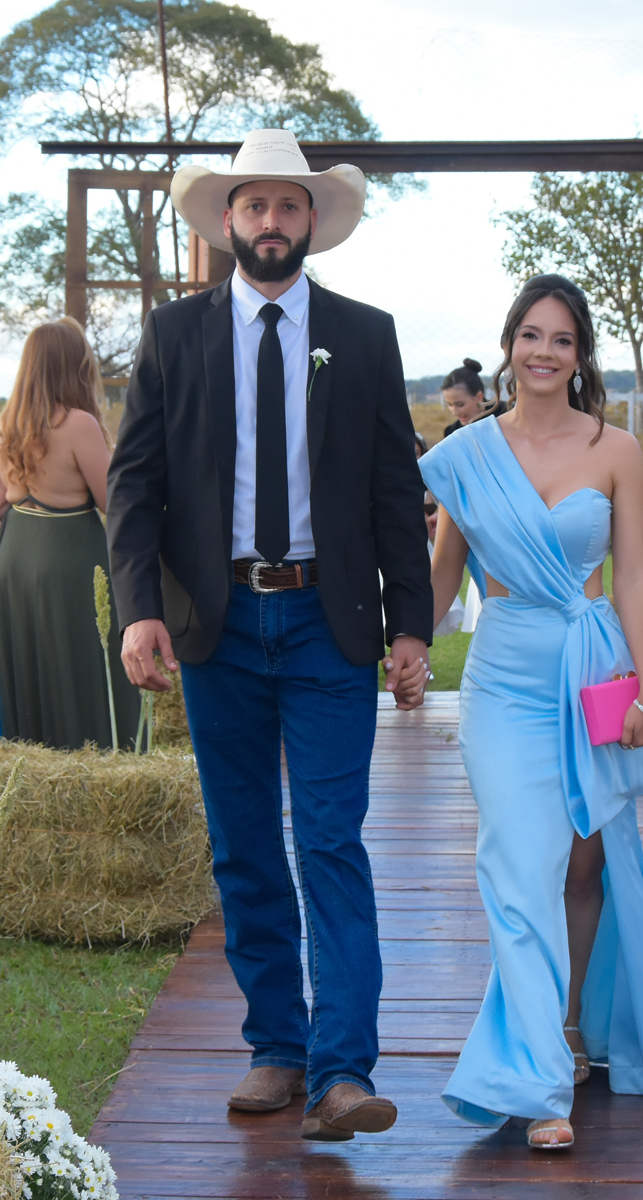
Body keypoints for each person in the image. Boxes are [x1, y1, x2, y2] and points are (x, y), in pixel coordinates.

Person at [106, 129, 433, 1141]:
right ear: (229, 222)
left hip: (331, 624)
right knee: (246, 847)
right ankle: (276, 1049)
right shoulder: (174, 335)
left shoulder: (366, 335)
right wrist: (139, 608)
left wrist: (411, 624)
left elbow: (392, 489)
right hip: (221, 625)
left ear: (311, 225)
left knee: (330, 842)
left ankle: (343, 1071)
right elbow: (136, 483)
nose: (273, 224)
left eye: (290, 207)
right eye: (257, 206)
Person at [421, 275, 643, 1151]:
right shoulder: (466, 454)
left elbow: (631, 577)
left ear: (580, 357)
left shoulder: (615, 448)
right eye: (531, 335)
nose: (544, 352)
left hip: (588, 673)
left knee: (584, 869)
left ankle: (571, 1027)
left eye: (563, 340)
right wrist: (398, 646)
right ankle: (541, 1086)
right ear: (509, 345)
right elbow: (439, 576)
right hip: (501, 678)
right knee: (515, 864)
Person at [0, 318, 139, 750]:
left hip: (15, 558)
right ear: (74, 366)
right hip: (71, 561)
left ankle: (33, 759)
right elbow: (110, 502)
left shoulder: (8, 422)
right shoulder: (78, 424)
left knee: (30, 665)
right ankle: (95, 754)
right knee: (84, 665)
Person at [442, 358, 504, 438]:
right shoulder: (453, 433)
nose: (454, 412)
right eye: (450, 405)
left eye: (460, 404)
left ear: (479, 397)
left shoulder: (505, 414)